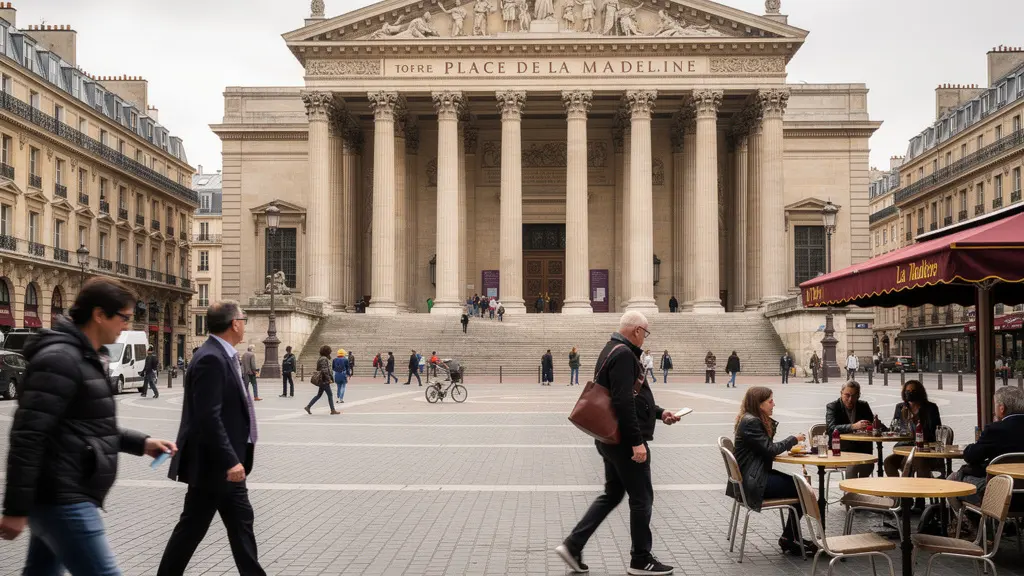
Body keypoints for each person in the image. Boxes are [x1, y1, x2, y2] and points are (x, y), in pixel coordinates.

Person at [0, 278, 177, 572]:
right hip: (65, 498)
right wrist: (15, 509)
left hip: (59, 495)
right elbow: (28, 436)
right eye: (124, 318)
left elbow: (86, 424)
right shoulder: (60, 359)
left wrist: (141, 443)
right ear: (99, 314)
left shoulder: (85, 357)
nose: (126, 326)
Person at [555, 311, 680, 576]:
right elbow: (623, 401)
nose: (645, 338)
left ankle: (573, 545)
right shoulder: (624, 354)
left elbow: (630, 396)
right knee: (642, 497)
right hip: (623, 440)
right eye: (645, 333)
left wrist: (660, 413)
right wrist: (637, 442)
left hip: (609, 438)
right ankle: (640, 559)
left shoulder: (611, 349)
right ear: (637, 331)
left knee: (612, 493)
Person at [157, 300, 267, 576]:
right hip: (217, 466)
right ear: (235, 324)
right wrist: (230, 460)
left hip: (218, 465)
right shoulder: (211, 358)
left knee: (228, 526)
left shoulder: (220, 355)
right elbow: (208, 416)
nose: (244, 325)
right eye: (244, 319)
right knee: (200, 528)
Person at [730, 386, 812, 556]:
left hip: (752, 476)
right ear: (759, 405)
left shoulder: (750, 419)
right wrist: (793, 439)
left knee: (799, 486)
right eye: (770, 401)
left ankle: (791, 537)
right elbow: (770, 449)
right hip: (754, 481)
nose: (773, 404)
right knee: (804, 490)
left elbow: (765, 448)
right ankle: (790, 538)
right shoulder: (752, 422)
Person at [948, 386, 1024, 505]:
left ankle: (967, 521)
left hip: (999, 494)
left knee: (952, 480)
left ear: (1002, 408)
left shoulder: (996, 430)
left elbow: (970, 456)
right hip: (1021, 494)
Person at [883, 380, 943, 481]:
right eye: (907, 391)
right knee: (888, 462)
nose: (910, 393)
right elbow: (895, 429)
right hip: (904, 448)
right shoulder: (900, 407)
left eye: (913, 391)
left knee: (912, 461)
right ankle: (899, 492)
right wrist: (882, 427)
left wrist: (917, 423)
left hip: (925, 450)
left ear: (920, 392)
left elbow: (934, 434)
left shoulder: (930, 408)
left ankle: (919, 495)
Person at [824, 381, 876, 478]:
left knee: (869, 465)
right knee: (852, 467)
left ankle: (860, 489)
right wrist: (853, 426)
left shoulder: (863, 405)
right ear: (841, 393)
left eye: (854, 396)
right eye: (847, 395)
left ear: (858, 395)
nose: (850, 399)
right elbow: (831, 428)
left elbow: (872, 424)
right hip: (841, 449)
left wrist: (877, 425)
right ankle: (851, 492)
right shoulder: (833, 406)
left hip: (862, 449)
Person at [305, 345, 340, 415]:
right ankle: (332, 410)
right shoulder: (324, 359)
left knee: (319, 395)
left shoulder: (322, 358)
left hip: (322, 379)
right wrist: (329, 379)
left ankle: (308, 406)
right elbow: (325, 370)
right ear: (327, 351)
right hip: (324, 380)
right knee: (330, 394)